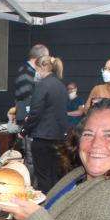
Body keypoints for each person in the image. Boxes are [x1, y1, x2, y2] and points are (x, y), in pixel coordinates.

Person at [21, 55, 68, 193]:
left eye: (36, 68)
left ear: (42, 67)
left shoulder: (42, 86)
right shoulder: (61, 85)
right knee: (55, 175)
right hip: (59, 137)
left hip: (42, 137)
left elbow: (35, 113)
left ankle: (44, 207)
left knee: (43, 176)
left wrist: (24, 130)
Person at [14, 44, 49, 184]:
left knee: (34, 156)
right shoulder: (25, 73)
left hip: (33, 120)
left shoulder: (33, 73)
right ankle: (30, 188)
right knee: (31, 156)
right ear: (38, 58)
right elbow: (28, 100)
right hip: (28, 121)